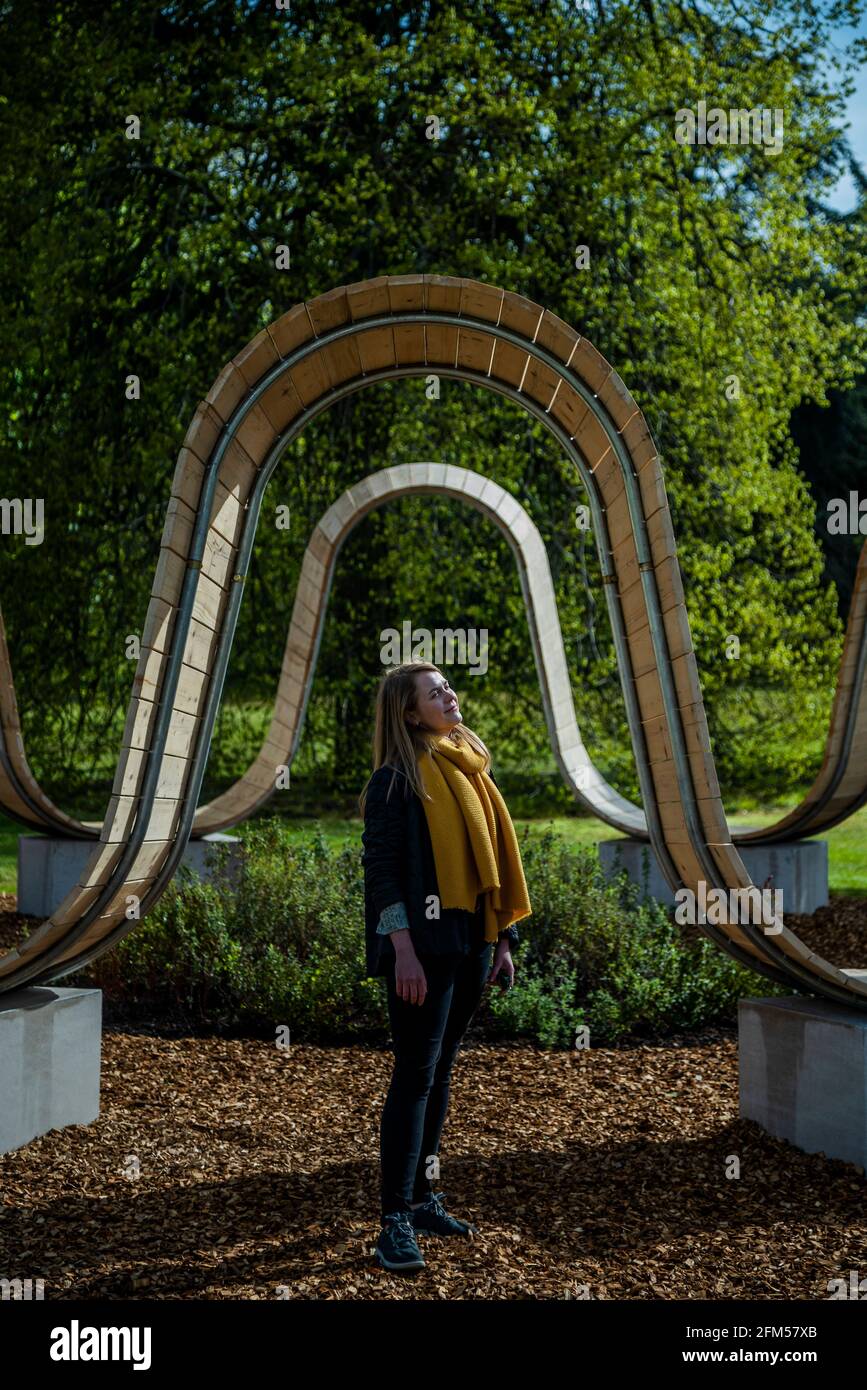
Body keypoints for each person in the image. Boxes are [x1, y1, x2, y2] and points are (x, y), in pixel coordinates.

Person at [359, 660, 531, 1273]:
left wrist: (503, 940)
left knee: (440, 1071)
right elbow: (381, 876)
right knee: (413, 1076)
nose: (449, 696)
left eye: (447, 688)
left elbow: (492, 863)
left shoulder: (469, 765)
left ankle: (425, 1197)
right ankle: (393, 1222)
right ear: (410, 713)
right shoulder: (394, 782)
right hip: (421, 951)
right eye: (435, 693)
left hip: (470, 942)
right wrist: (401, 949)